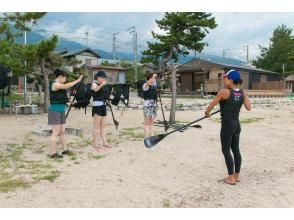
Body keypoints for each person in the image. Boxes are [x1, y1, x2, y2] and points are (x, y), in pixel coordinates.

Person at [205, 69, 251, 185]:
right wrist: (239, 99)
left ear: (230, 79)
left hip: (227, 125)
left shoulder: (224, 92)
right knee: (236, 150)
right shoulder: (242, 92)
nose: (224, 79)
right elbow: (249, 107)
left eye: (225, 78)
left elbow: (212, 105)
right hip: (236, 125)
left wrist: (207, 112)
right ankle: (237, 175)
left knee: (226, 150)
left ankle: (230, 178)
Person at [48, 68, 83, 158]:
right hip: (55, 110)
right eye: (65, 78)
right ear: (60, 77)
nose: (65, 80)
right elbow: (66, 86)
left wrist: (68, 102)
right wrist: (77, 81)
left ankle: (65, 150)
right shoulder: (55, 84)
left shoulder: (60, 84)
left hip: (61, 110)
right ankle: (52, 153)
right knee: (55, 132)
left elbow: (61, 98)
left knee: (62, 131)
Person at [91, 71, 112, 150]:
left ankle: (105, 143)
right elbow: (95, 90)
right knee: (96, 126)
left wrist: (108, 100)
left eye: (104, 78)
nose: (103, 79)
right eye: (102, 77)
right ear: (98, 77)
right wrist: (102, 85)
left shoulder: (103, 85)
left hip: (103, 106)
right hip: (97, 106)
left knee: (103, 126)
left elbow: (105, 95)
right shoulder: (94, 83)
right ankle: (95, 143)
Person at [142, 72, 158, 137]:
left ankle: (152, 135)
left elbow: (154, 96)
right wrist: (153, 76)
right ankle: (146, 136)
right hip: (147, 106)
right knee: (146, 122)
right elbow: (148, 83)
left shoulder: (153, 87)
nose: (155, 79)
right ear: (150, 78)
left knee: (152, 121)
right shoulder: (145, 85)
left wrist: (156, 101)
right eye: (154, 78)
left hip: (153, 106)